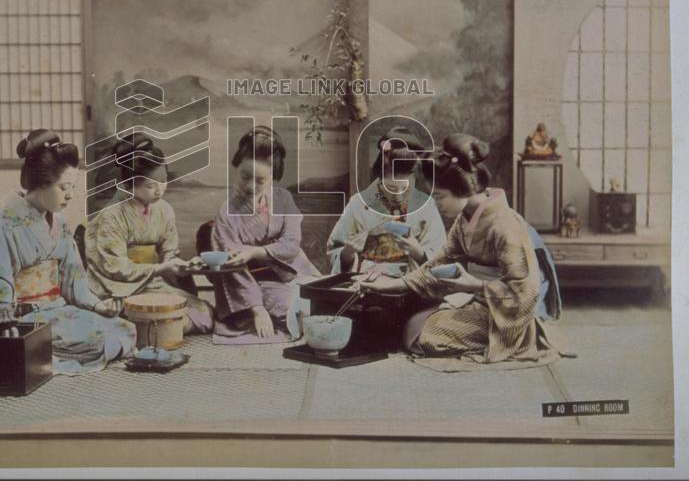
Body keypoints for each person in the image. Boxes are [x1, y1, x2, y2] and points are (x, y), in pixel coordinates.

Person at [359, 133, 555, 363]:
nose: (436, 203)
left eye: (440, 196)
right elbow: (439, 262)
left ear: (462, 190)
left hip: (511, 316)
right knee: (411, 325)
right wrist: (392, 285)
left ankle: (518, 341)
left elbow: (526, 293)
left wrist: (477, 284)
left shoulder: (505, 225)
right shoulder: (465, 219)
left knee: (425, 337)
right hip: (481, 302)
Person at [0, 129, 136, 374]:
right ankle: (30, 351)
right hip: (23, 316)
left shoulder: (60, 222)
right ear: (41, 183)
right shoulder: (5, 223)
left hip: (56, 309)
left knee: (124, 327)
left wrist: (98, 306)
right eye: (64, 187)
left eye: (73, 187)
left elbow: (73, 275)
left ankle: (39, 353)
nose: (70, 195)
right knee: (94, 337)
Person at [84, 133, 214, 334]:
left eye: (163, 182)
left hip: (153, 283)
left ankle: (155, 328)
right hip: (119, 287)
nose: (159, 190)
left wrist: (181, 266)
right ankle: (154, 328)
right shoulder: (111, 216)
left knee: (204, 313)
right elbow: (115, 267)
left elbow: (169, 254)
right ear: (129, 183)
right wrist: (161, 268)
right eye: (151, 185)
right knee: (156, 315)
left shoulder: (165, 210)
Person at [206, 126, 320, 341]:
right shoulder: (227, 211)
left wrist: (254, 252)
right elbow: (231, 265)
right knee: (292, 312)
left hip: (292, 271)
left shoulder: (284, 198)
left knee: (323, 304)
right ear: (236, 168)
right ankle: (254, 310)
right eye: (244, 176)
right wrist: (257, 310)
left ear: (273, 177)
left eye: (260, 181)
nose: (250, 186)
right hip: (250, 283)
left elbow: (291, 245)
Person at [326, 125, 447, 278]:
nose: (398, 195)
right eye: (390, 187)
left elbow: (439, 254)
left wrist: (419, 252)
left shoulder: (427, 205)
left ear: (415, 178)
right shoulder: (358, 203)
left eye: (405, 188)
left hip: (411, 283)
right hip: (366, 279)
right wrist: (347, 253)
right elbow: (334, 250)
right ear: (380, 178)